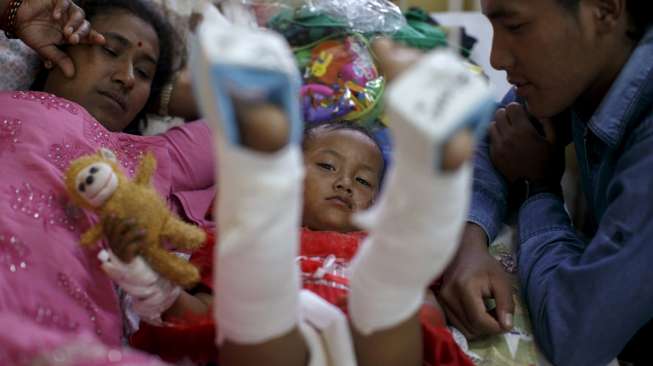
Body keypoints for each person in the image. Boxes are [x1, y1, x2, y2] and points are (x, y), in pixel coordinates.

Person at [98, 11, 494, 364]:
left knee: (390, 298)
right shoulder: (231, 242)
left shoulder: (372, 246)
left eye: (362, 181)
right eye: (326, 166)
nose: (344, 183)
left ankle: (428, 172)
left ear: (375, 201)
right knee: (258, 311)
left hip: (364, 338)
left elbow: (429, 319)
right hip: (278, 331)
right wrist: (154, 281)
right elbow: (199, 313)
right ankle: (265, 155)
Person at [436, 0, 653, 365]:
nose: (498, 56)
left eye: (516, 27)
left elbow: (576, 334)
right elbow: (499, 134)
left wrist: (538, 187)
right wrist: (469, 239)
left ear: (604, 10)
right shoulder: (586, 70)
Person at [0, 0, 215, 363]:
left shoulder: (147, 158)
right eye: (111, 50)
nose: (127, 77)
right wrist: (11, 12)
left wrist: (161, 95)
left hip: (66, 338)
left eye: (144, 73)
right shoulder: (8, 100)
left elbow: (248, 125)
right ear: (56, 48)